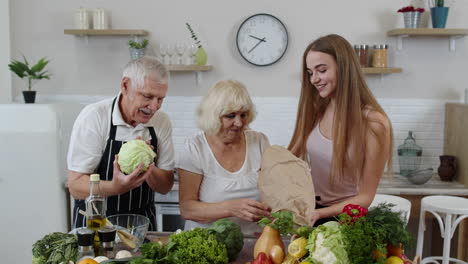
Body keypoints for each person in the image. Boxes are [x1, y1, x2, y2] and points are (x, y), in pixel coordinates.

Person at [288, 34, 393, 226]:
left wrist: (320, 214)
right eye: (310, 72)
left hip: (346, 219)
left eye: (321, 70)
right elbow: (289, 158)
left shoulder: (374, 123)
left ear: (343, 67)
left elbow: (365, 197)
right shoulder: (317, 109)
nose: (314, 79)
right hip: (311, 211)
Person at [67, 56, 175, 230]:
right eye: (147, 96)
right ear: (125, 85)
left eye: (160, 99)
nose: (154, 107)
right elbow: (75, 185)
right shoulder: (95, 117)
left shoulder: (161, 122)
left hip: (142, 227)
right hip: (95, 225)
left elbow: (165, 186)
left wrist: (147, 165)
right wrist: (115, 187)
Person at [177, 80, 271, 234]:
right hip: (206, 243)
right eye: (230, 116)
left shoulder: (259, 142)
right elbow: (187, 209)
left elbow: (274, 193)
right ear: (213, 116)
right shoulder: (195, 147)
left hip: (254, 244)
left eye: (243, 115)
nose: (239, 123)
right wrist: (231, 208)